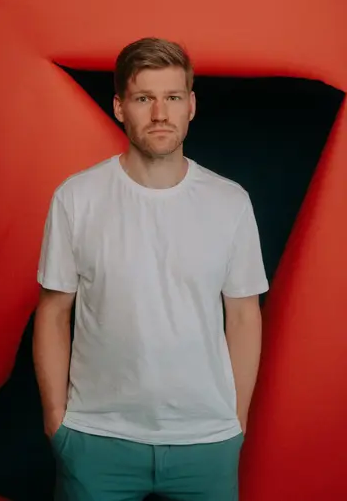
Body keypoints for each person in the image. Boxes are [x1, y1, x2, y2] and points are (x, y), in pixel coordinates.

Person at [33, 37, 269, 501]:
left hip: (207, 441)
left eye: (173, 97)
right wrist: (56, 419)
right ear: (120, 107)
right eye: (144, 98)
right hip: (95, 439)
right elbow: (54, 311)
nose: (160, 113)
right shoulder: (76, 198)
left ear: (191, 105)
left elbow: (244, 316)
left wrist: (235, 421)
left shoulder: (230, 202)